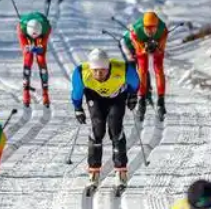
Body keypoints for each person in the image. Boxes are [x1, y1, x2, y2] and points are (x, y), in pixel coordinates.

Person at [70, 48, 140, 189]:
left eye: (102, 70)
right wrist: (78, 109)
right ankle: (93, 170)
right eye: (95, 70)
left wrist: (132, 96)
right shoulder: (81, 73)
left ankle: (121, 170)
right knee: (97, 129)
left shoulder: (123, 70)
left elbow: (135, 83)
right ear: (90, 68)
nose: (99, 74)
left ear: (108, 67)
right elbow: (76, 93)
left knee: (115, 128)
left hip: (116, 97)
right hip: (94, 97)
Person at [128, 11, 168, 121]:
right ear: (143, 26)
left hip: (158, 40)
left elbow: (161, 48)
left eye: (153, 28)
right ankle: (141, 100)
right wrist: (144, 49)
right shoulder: (137, 30)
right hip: (141, 41)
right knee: (142, 69)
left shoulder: (162, 29)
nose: (150, 31)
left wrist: (158, 47)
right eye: (148, 29)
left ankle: (161, 100)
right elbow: (138, 48)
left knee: (158, 69)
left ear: (157, 27)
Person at [17, 11, 52, 107]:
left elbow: (43, 43)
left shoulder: (46, 28)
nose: (34, 38)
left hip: (41, 33)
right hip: (26, 32)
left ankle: (45, 94)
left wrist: (40, 46)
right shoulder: (21, 28)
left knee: (41, 59)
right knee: (28, 58)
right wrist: (27, 48)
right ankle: (26, 93)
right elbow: (24, 47)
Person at [120, 29, 154, 106]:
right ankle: (130, 92)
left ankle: (147, 92)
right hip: (126, 47)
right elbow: (125, 48)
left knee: (143, 69)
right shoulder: (126, 39)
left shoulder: (147, 38)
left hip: (138, 48)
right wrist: (130, 56)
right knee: (131, 68)